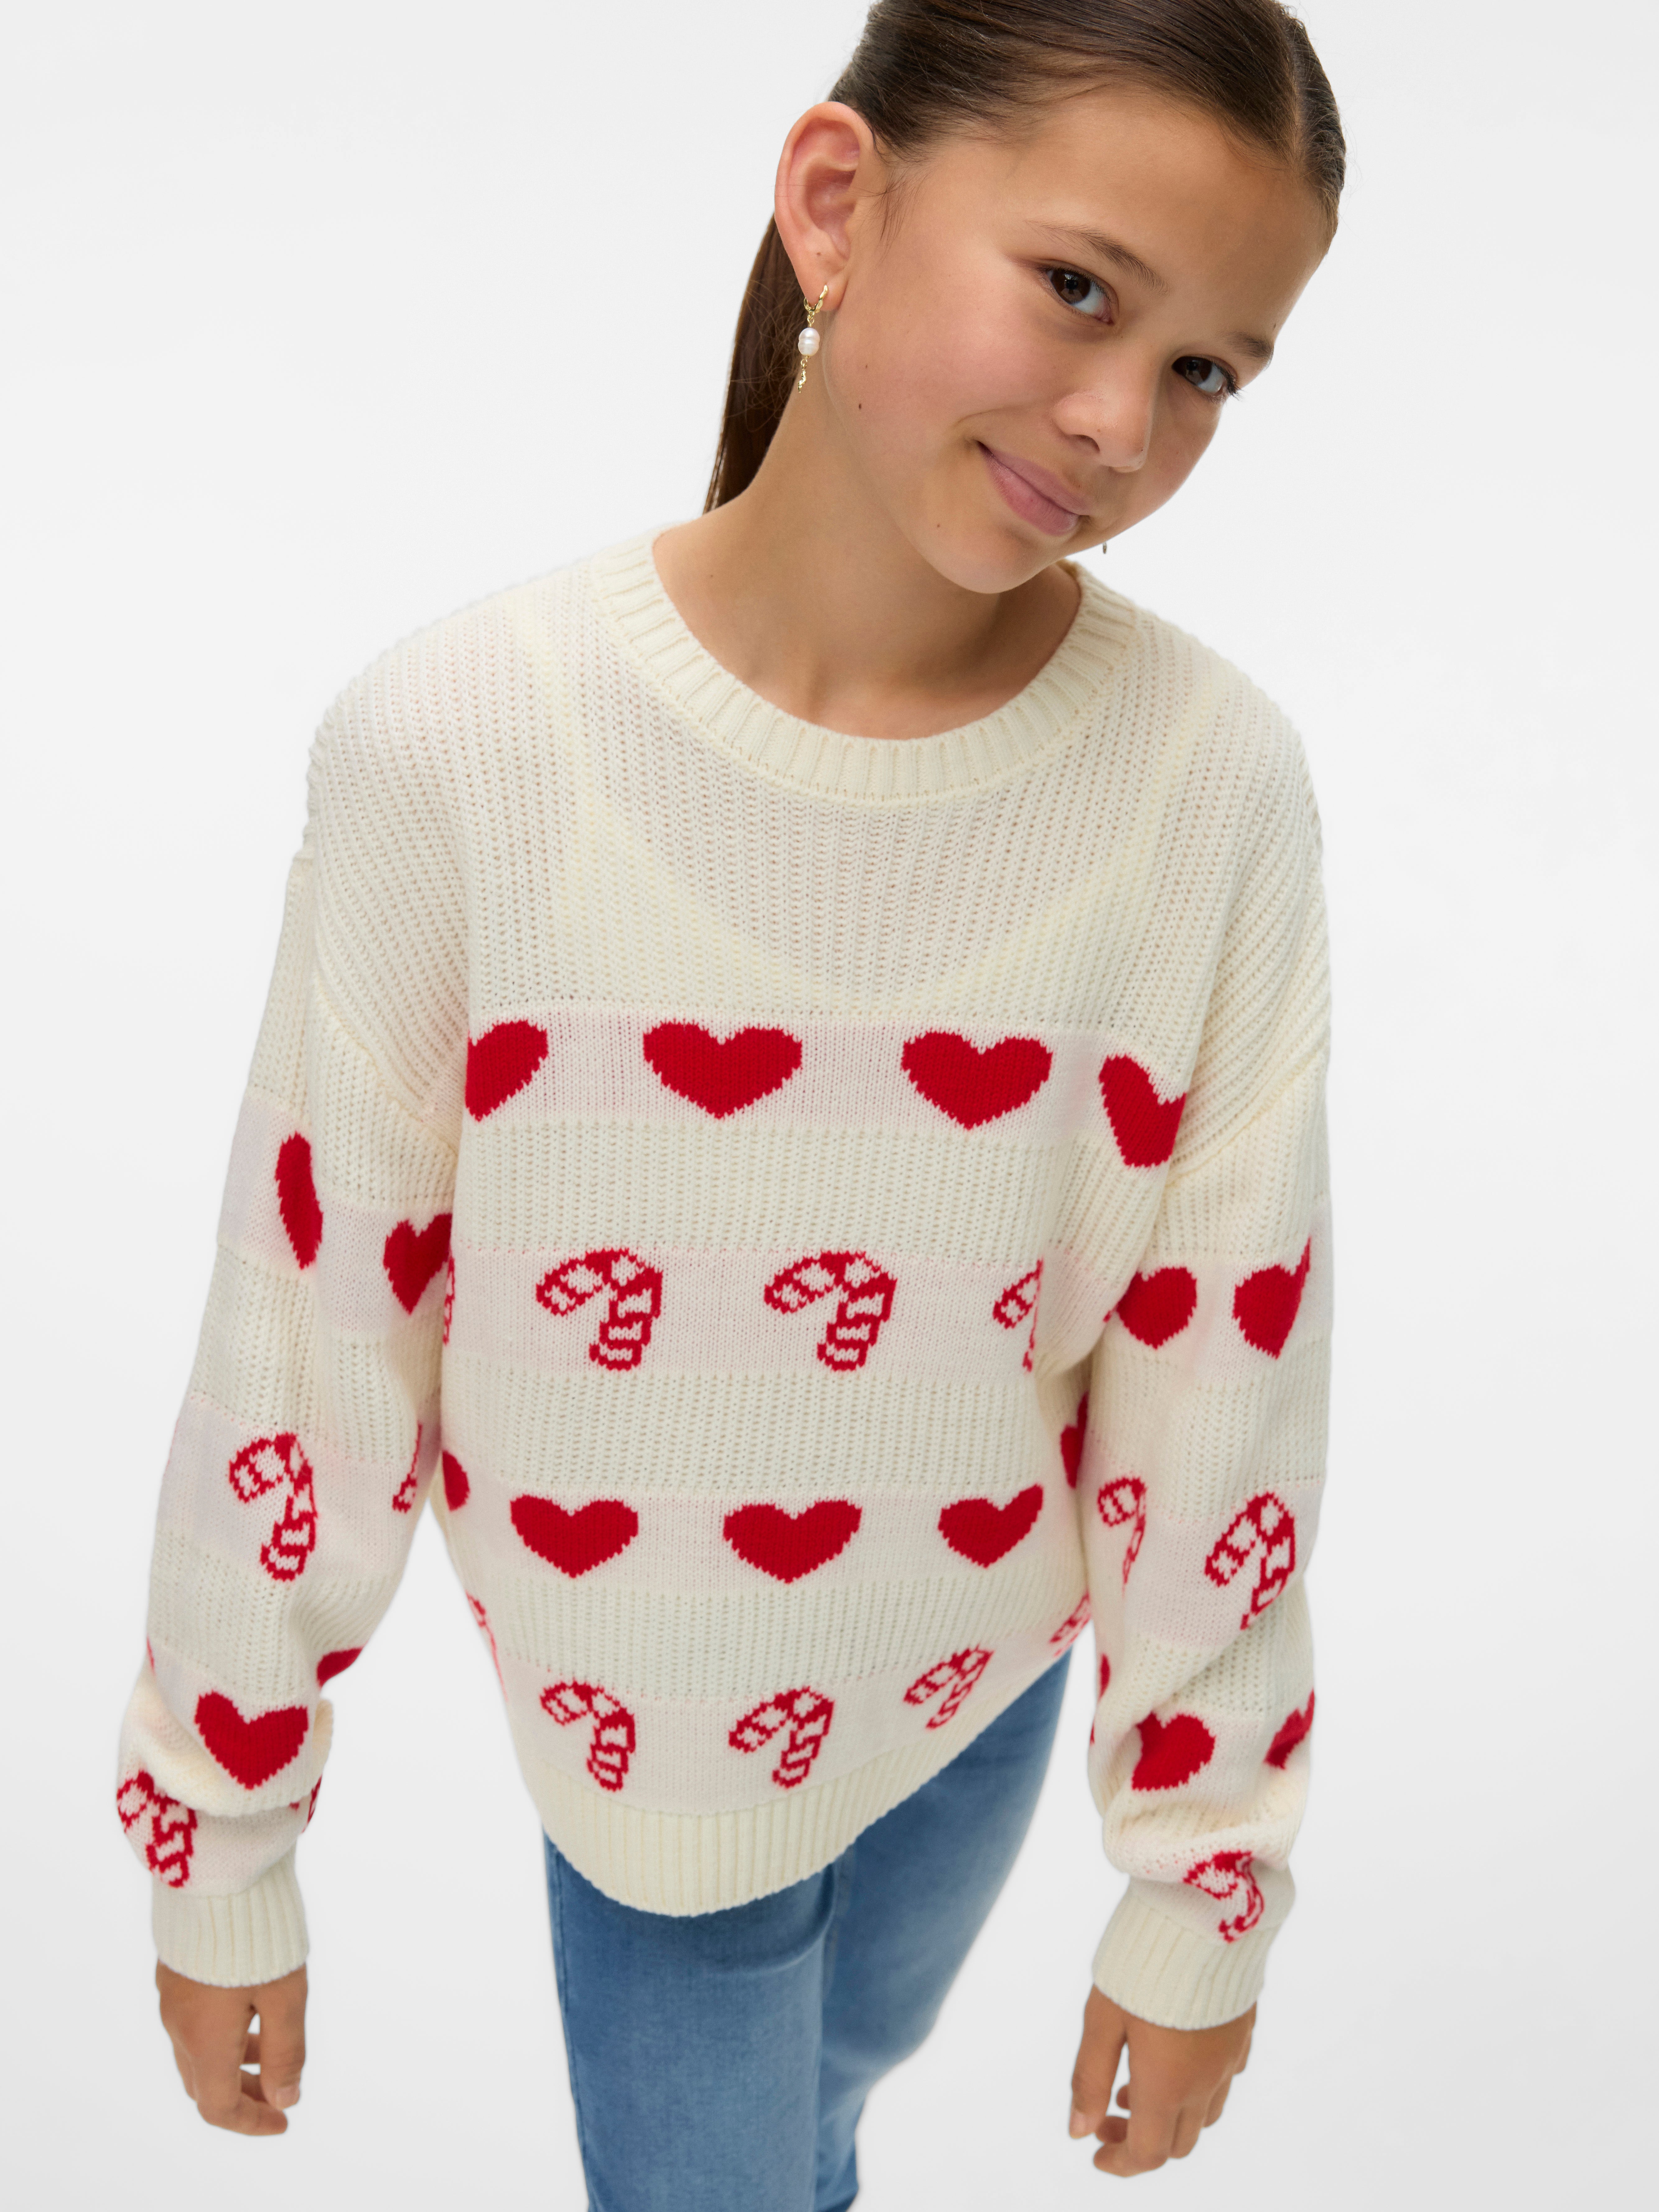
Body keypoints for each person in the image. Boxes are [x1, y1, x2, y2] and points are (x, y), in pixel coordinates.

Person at [118, 2, 1343, 2200]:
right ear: (836, 204)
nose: (1120, 420)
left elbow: (1221, 1362)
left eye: (1206, 372)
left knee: (823, 2123)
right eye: (1079, 288)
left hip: (978, 1689)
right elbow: (310, 1329)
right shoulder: (463, 748)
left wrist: (1201, 1882)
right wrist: (219, 1830)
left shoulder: (1208, 788)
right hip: (653, 1770)